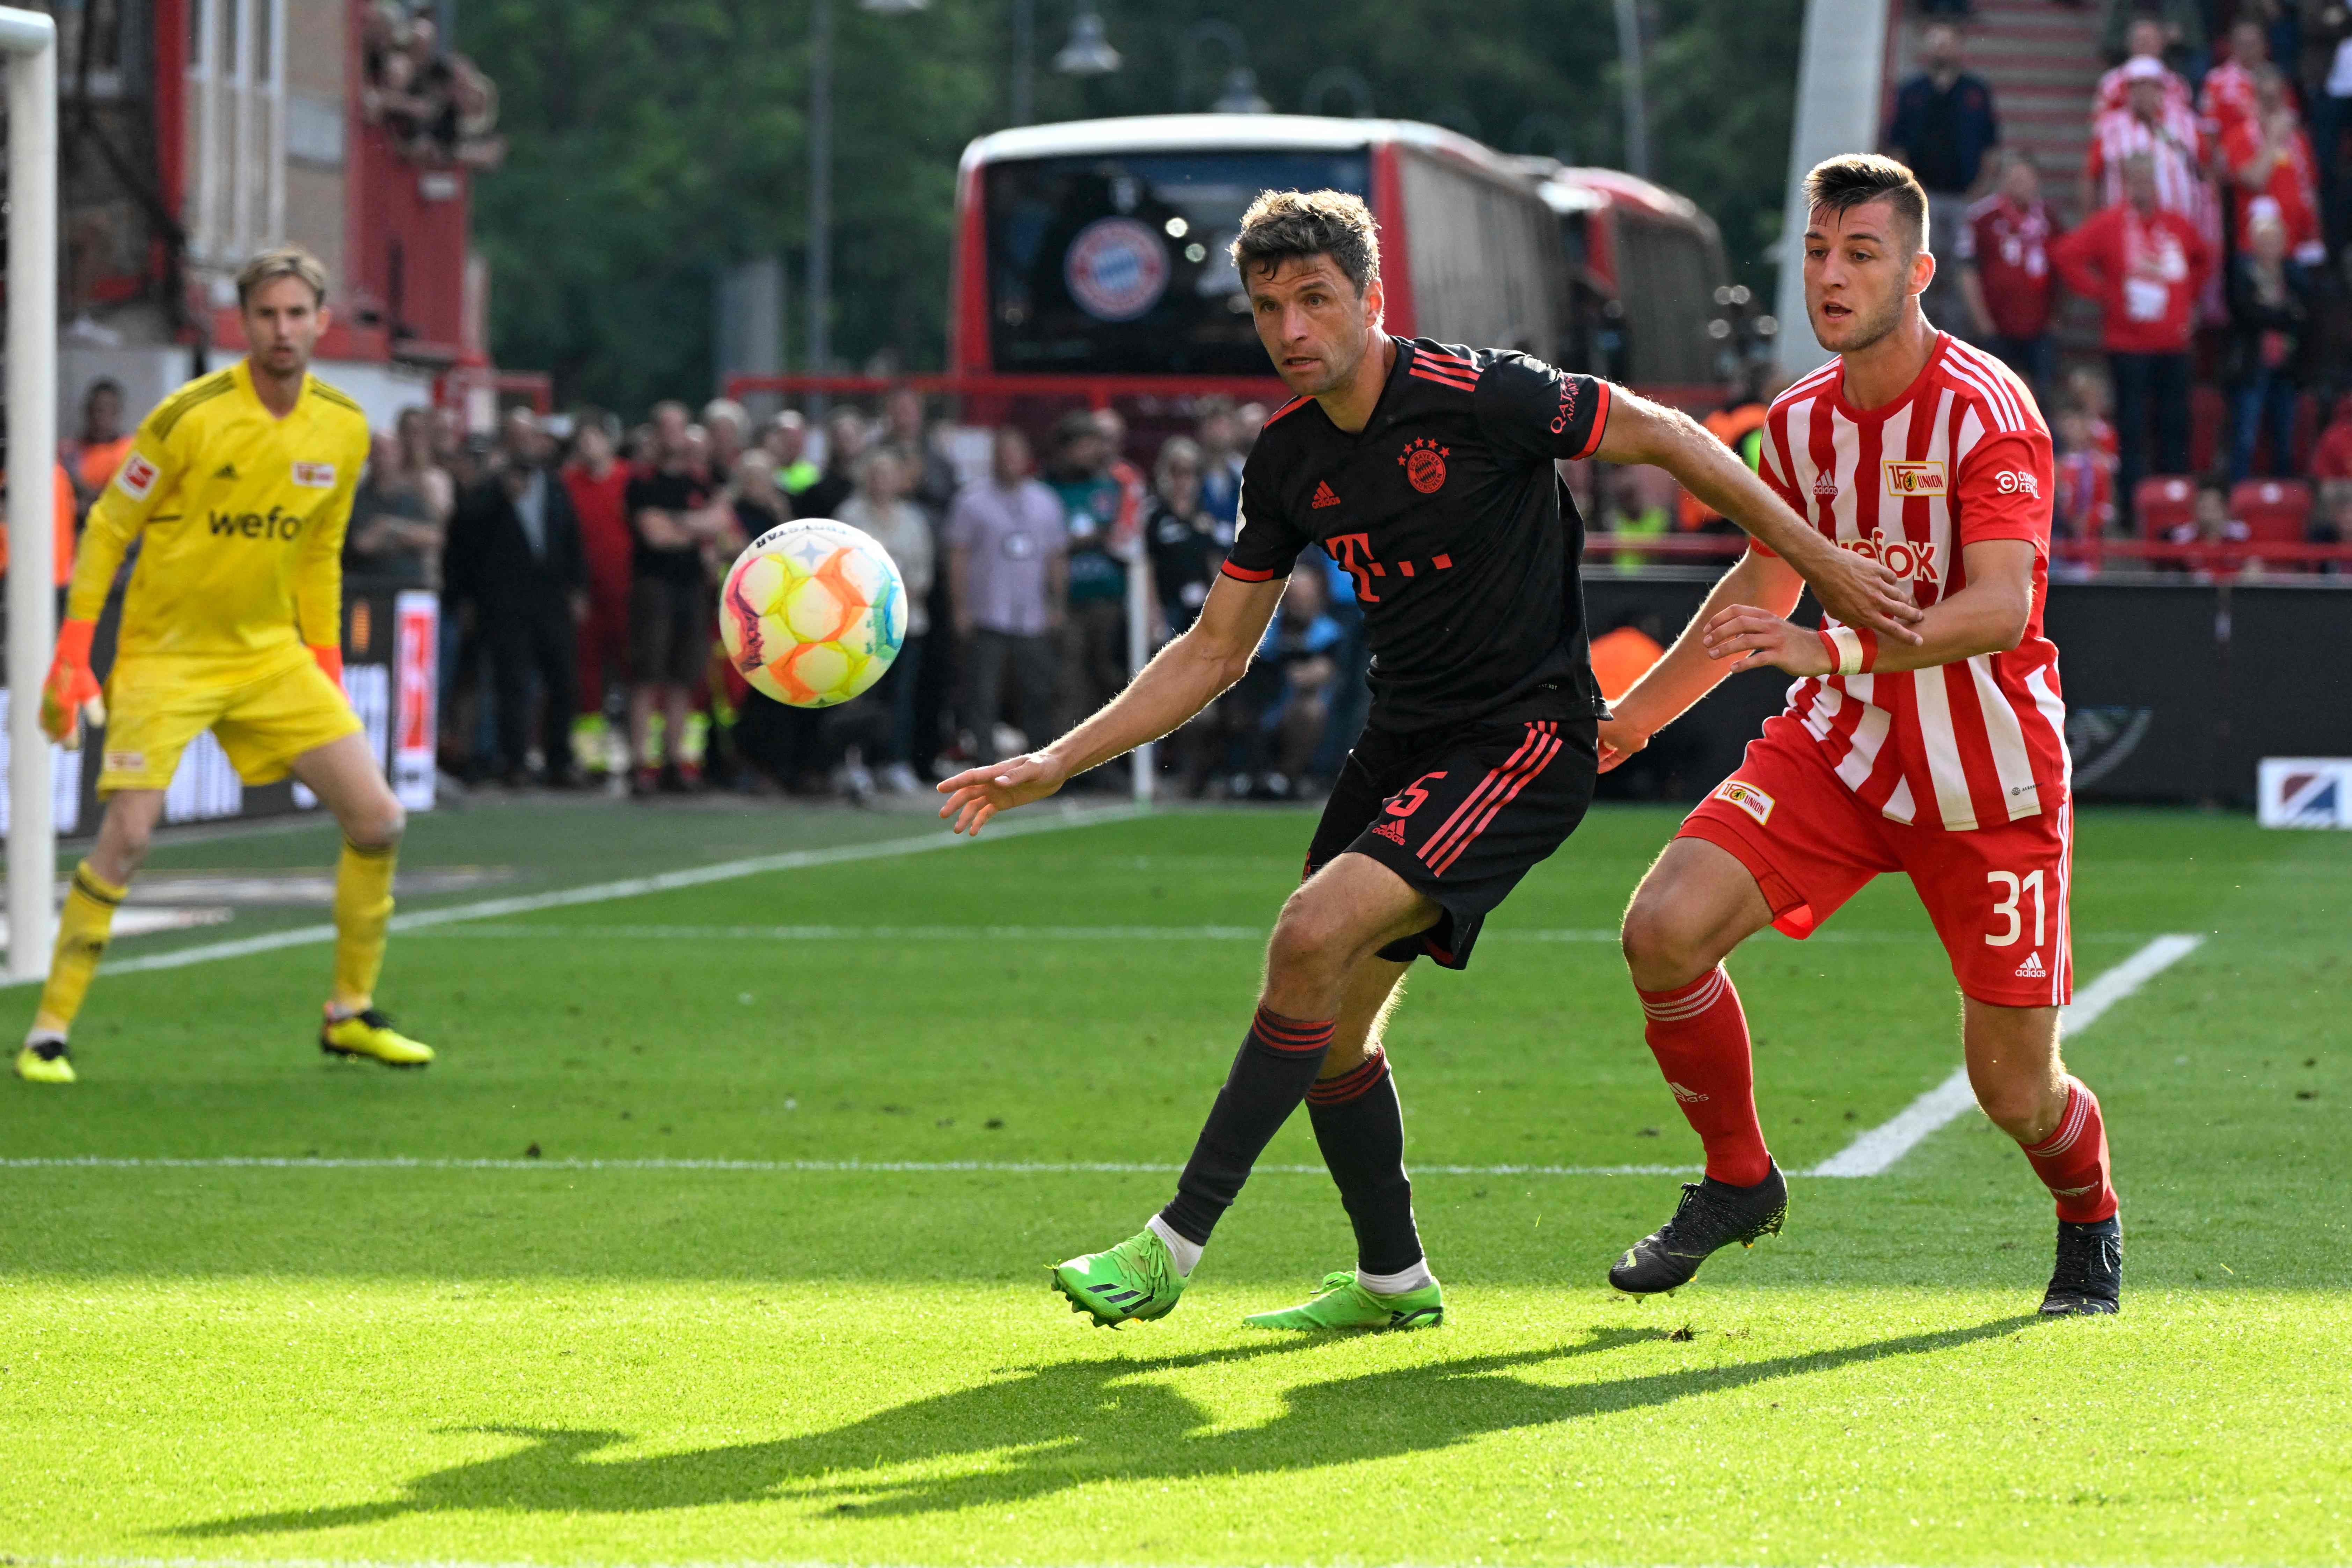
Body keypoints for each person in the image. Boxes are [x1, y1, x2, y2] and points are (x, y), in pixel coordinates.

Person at [935, 187, 1919, 1333]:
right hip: (1401, 743)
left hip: (1524, 739)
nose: (1292, 330)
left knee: (1307, 932)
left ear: (1371, 298)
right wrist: (1056, 757)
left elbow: (1671, 436)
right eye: (1269, 308)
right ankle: (1395, 1278)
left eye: (1314, 300)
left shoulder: (1477, 392)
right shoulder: (1286, 458)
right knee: (1328, 1016)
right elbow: (1214, 647)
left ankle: (1169, 1246)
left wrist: (1827, 567)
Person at [1594, 155, 2117, 1318]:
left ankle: (2087, 1216)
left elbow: (2001, 609)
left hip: (1984, 776)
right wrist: (1628, 721)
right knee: (1663, 930)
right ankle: (1738, 1179)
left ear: (1918, 271)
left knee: (2014, 1091)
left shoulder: (1989, 411)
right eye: (1819, 251)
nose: (1830, 275)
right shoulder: (1795, 423)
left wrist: (1831, 651)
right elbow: (1761, 581)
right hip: (1839, 748)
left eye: (1860, 253)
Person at [16, 245, 431, 1085]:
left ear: (322, 321)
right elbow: (107, 530)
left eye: (296, 314)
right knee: (126, 837)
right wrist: (74, 650)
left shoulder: (344, 426)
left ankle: (349, 1013)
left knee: (379, 820)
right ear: (247, 323)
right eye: (267, 314)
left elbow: (319, 555)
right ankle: (48, 1032)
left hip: (270, 656)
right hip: (167, 656)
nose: (282, 329)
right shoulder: (189, 416)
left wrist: (325, 668)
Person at [2053, 152, 2213, 532]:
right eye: (2135, 181)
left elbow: (2204, 259)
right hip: (2128, 346)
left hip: (2173, 345)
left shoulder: (2176, 225)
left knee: (2174, 426)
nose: (2143, 188)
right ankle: (2130, 510)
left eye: (2148, 180)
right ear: (2126, 185)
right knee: (2131, 429)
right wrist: (2103, 293)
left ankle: (2176, 510)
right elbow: (2065, 256)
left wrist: (2189, 298)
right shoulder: (2109, 225)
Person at [446, 408, 586, 787]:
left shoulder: (554, 484)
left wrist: (577, 588)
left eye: (529, 436)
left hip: (552, 598)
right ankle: (516, 761)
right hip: (506, 601)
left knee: (562, 679)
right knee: (514, 682)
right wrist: (498, 498)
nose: (524, 444)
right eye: (516, 437)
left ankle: (559, 758)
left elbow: (571, 537)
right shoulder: (488, 489)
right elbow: (465, 541)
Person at [625, 401, 732, 794]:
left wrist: (677, 525)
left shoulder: (701, 481)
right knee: (646, 674)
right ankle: (640, 764)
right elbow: (655, 535)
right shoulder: (642, 481)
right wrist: (694, 529)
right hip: (654, 587)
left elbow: (720, 524)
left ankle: (673, 761)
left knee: (683, 677)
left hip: (691, 588)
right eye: (667, 428)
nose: (675, 436)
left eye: (680, 427)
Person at [946, 427, 1065, 760]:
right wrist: (960, 607)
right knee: (983, 694)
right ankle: (984, 762)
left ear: (1026, 459)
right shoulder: (971, 501)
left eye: (1015, 454)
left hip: (1033, 615)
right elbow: (958, 555)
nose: (1009, 461)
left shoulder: (1046, 501)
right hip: (988, 613)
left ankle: (1040, 764)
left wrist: (1057, 602)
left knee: (1038, 692)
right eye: (1003, 454)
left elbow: (1056, 557)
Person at [1885, 23, 2001, 330]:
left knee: (1960, 271)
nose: (1942, 48)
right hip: (1924, 196)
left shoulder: (1976, 92)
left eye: (1948, 42)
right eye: (1936, 42)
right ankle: (1919, 331)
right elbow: (1897, 146)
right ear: (1927, 48)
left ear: (1959, 48)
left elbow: (1991, 147)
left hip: (1964, 197)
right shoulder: (1912, 91)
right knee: (1922, 263)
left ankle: (1953, 338)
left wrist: (1981, 189)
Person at [834, 447, 934, 794]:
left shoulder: (913, 519)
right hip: (859, 625)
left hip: (907, 622)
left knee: (900, 697)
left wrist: (896, 594)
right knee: (859, 695)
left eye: (888, 474)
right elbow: (839, 568)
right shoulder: (849, 514)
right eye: (875, 474)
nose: (881, 481)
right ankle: (853, 764)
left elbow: (923, 572)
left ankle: (894, 762)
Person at [1041, 409, 1137, 737]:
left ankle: (1105, 763)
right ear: (1065, 449)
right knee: (1067, 681)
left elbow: (1128, 535)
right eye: (1083, 445)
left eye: (1093, 444)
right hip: (1066, 601)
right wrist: (1077, 542)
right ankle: (1060, 763)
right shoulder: (1045, 491)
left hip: (1109, 598)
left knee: (1109, 679)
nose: (1091, 453)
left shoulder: (1114, 487)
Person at [560, 410, 634, 770]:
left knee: (633, 669)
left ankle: (641, 754)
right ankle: (592, 758)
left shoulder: (628, 479)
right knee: (586, 674)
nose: (588, 446)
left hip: (625, 590)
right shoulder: (567, 483)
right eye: (582, 439)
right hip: (585, 595)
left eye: (595, 437)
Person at [1957, 152, 2061, 407]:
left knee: (2039, 400)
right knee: (1994, 401)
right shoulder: (1982, 216)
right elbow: (1967, 271)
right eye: (2015, 178)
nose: (2021, 185)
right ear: (2003, 180)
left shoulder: (2049, 218)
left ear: (2037, 181)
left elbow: (2062, 269)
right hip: (1996, 327)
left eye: (2027, 178)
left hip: (2039, 328)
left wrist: (2056, 318)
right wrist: (1983, 323)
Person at [2223, 212, 2311, 482]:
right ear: (2253, 243)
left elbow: (2303, 315)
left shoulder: (2293, 275)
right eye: (2264, 241)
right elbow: (2248, 314)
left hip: (2285, 366)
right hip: (2253, 365)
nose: (2270, 247)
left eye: (2275, 241)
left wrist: (2273, 313)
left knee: (2284, 435)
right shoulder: (2242, 274)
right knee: (2245, 436)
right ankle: (2239, 496)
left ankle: (2281, 496)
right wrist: (2282, 315)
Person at [2221, 67, 2325, 263]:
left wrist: (2316, 236)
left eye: (2277, 99)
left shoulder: (2298, 140)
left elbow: (2311, 190)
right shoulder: (2237, 138)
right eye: (2266, 99)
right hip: (2256, 249)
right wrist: (2273, 138)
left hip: (2299, 247)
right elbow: (2255, 180)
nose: (2272, 106)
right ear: (2254, 100)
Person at [2087, 58, 2208, 218]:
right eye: (2135, 87)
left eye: (2148, 86)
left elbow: (2206, 169)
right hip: (2126, 227)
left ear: (2160, 89)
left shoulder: (2185, 122)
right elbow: (2090, 176)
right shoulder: (2110, 127)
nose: (2142, 93)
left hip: (2179, 225)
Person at [60, 378, 135, 515]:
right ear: (87, 411)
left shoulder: (131, 450)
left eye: (108, 410)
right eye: (97, 410)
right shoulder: (69, 451)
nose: (100, 418)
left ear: (117, 412)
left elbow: (127, 496)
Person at [2093, 18, 2194, 118]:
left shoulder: (2177, 84)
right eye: (2140, 40)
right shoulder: (2112, 83)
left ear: (2162, 44)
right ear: (2129, 43)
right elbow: (2101, 121)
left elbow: (2186, 123)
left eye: (2150, 39)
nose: (2145, 44)